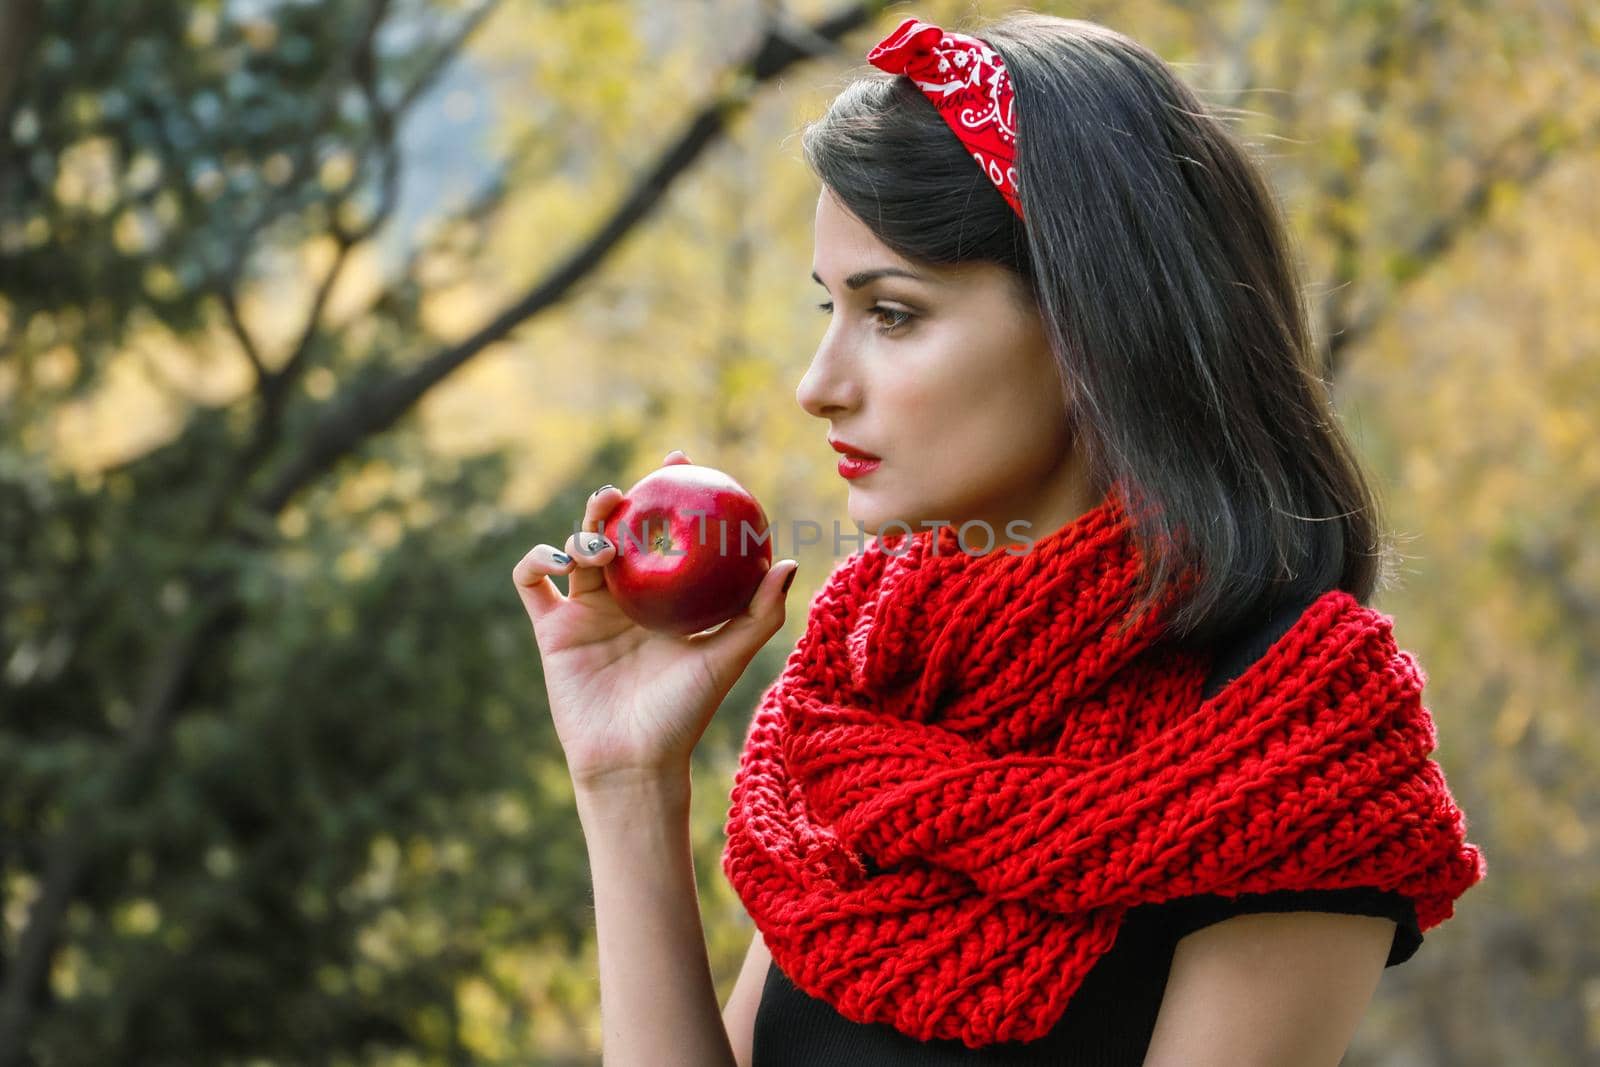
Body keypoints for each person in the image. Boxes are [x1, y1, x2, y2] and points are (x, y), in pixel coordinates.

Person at [512, 11, 1483, 1066]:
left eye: (891, 314)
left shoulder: (1291, 733)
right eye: (825, 308)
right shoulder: (874, 675)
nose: (817, 385)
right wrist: (626, 781)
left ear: (1090, 328)